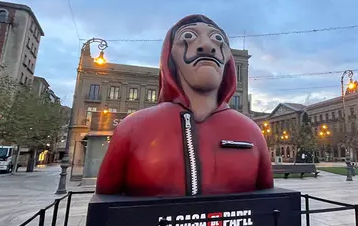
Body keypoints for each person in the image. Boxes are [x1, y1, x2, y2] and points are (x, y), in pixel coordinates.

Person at [95, 14, 273, 196]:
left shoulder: (251, 132)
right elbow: (104, 206)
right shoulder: (132, 128)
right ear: (170, 56)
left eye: (217, 39)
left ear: (227, 58)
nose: (207, 46)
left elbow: (271, 205)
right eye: (188, 36)